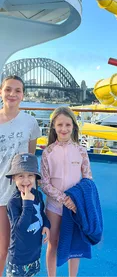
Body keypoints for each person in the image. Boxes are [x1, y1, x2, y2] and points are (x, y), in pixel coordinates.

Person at [40, 106, 93, 277]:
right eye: (60, 125)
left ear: (74, 127)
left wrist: (77, 201)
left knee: (74, 244)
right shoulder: (47, 152)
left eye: (68, 125)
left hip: (75, 207)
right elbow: (45, 183)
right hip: (55, 206)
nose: (64, 129)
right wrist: (64, 199)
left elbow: (87, 180)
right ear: (53, 127)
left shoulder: (81, 151)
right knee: (53, 243)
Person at [0, 75, 41, 274]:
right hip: (0, 190)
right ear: (1, 92)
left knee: (19, 242)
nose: (12, 94)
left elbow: (30, 157)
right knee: (2, 246)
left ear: (23, 95)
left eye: (17, 90)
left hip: (21, 191)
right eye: (8, 89)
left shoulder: (30, 122)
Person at [5, 153, 50, 277]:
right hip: (18, 260)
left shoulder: (38, 195)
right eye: (21, 176)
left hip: (34, 256)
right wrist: (27, 203)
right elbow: (20, 229)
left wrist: (46, 224)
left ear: (36, 176)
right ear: (13, 178)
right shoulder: (13, 202)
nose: (26, 180)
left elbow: (41, 213)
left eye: (30, 175)